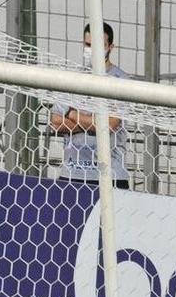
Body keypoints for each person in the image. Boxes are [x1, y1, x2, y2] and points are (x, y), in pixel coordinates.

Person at [49, 22, 130, 189]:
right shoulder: (72, 79)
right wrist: (93, 121)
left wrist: (71, 114)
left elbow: (109, 125)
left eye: (99, 45)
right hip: (72, 174)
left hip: (110, 175)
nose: (92, 50)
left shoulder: (121, 81)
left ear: (110, 47)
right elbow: (56, 123)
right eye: (88, 45)